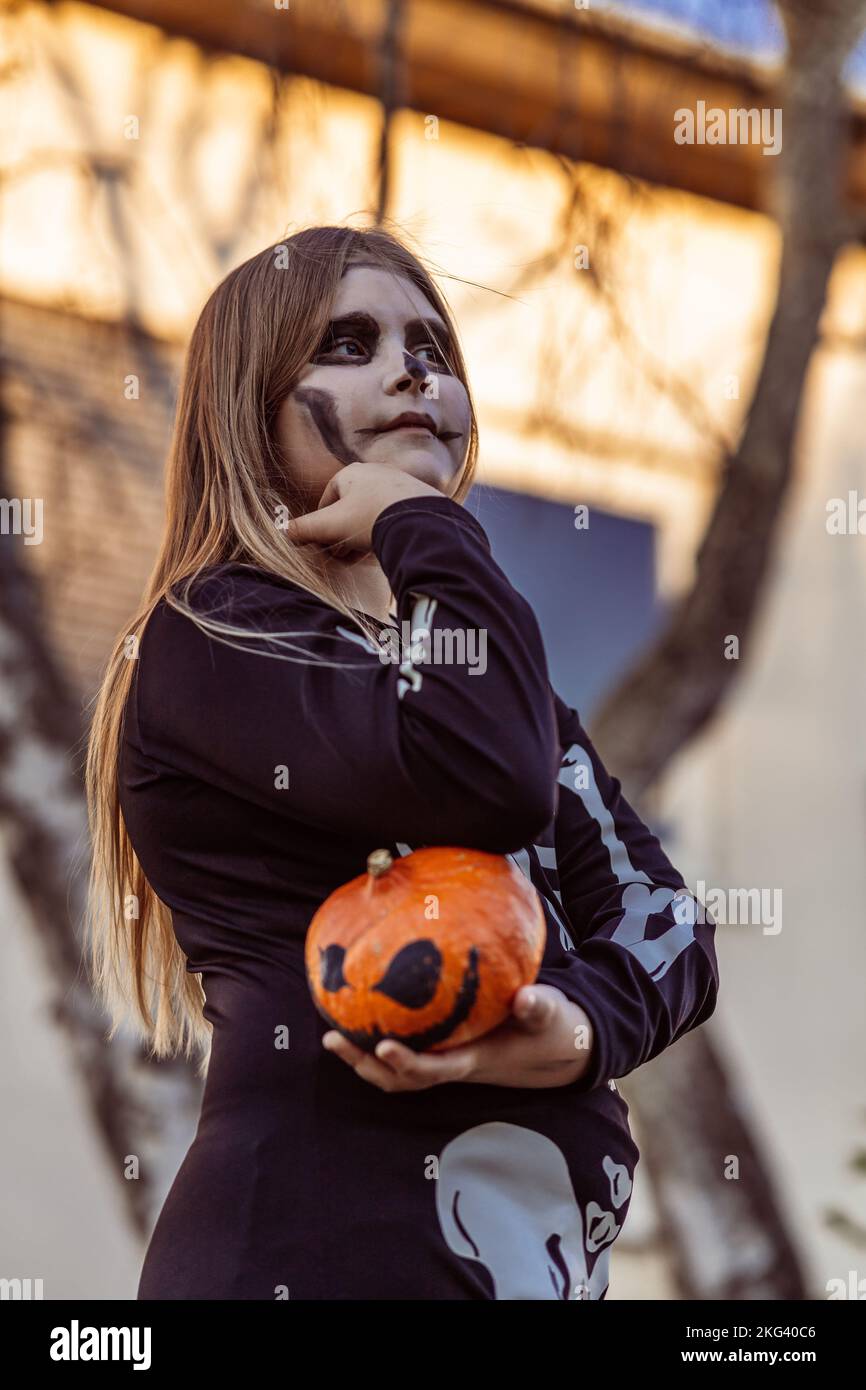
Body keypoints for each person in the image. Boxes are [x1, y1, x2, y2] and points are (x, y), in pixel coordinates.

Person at [84, 225, 719, 1301]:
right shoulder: (212, 638)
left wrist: (569, 1028)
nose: (412, 367)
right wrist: (424, 524)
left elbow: (668, 927)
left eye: (431, 341)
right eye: (349, 343)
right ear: (249, 409)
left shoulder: (484, 690)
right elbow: (483, 779)